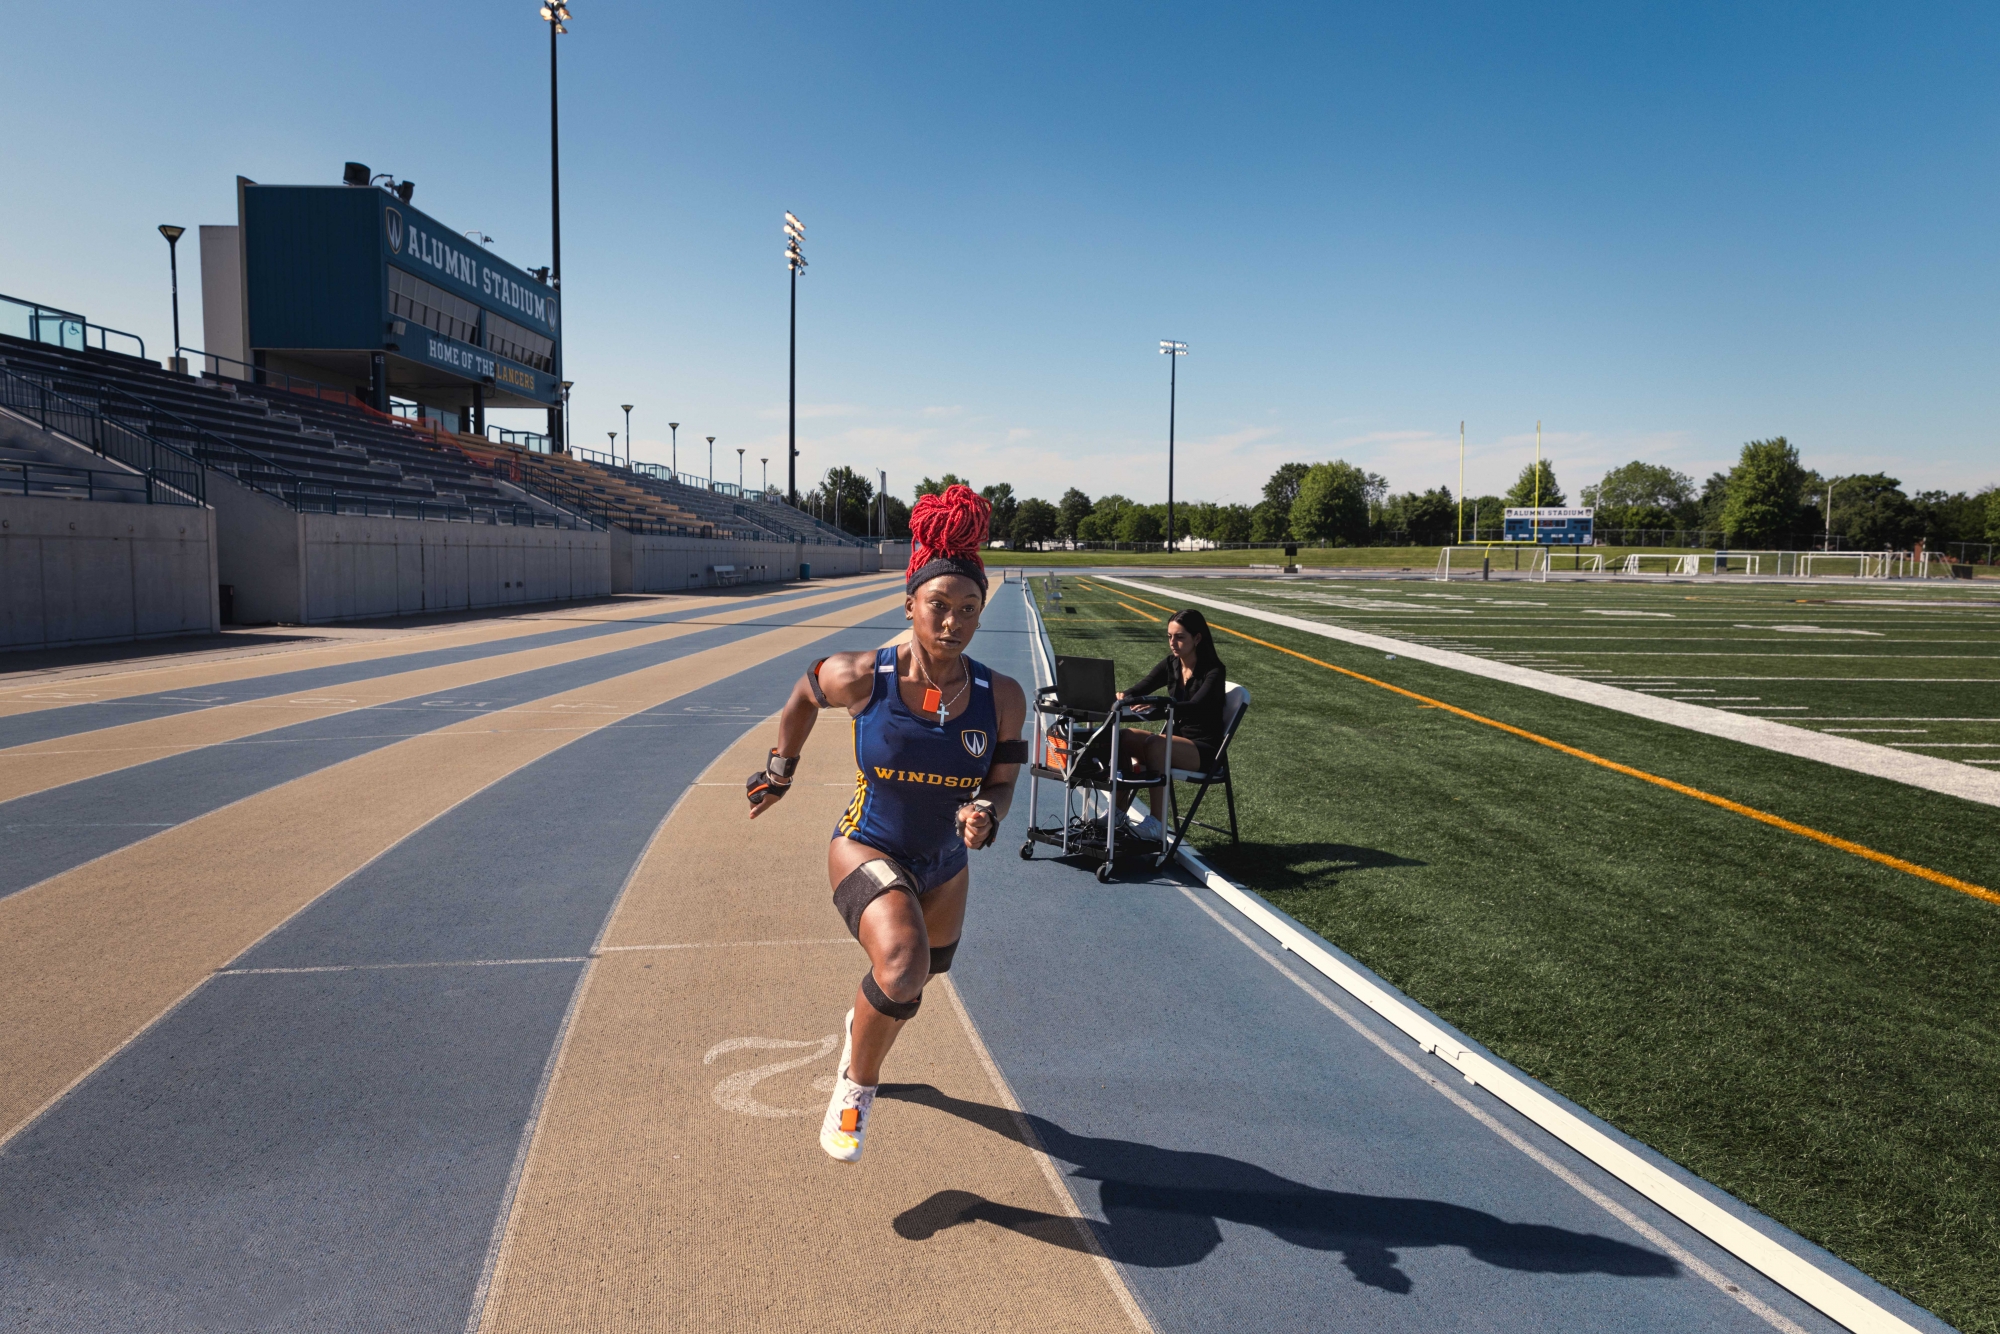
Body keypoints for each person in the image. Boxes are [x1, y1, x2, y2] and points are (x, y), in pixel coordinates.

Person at [745, 485, 1028, 1162]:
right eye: (939, 605)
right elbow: (800, 696)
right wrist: (779, 771)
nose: (954, 622)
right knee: (901, 966)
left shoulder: (1002, 699)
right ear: (910, 604)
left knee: (918, 980)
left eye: (968, 609)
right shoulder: (860, 677)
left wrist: (987, 813)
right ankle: (855, 1089)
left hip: (943, 865)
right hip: (867, 841)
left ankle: (862, 1024)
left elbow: (1003, 783)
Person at [1114, 608, 1229, 841]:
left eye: (1179, 637)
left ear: (1197, 638)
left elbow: (1195, 706)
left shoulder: (1215, 672)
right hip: (1174, 742)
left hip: (1204, 750)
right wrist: (1124, 695)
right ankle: (1117, 814)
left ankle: (1156, 825)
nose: (1173, 643)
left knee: (1156, 744)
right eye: (1169, 636)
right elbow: (1142, 687)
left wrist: (1157, 705)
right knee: (1124, 736)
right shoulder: (1171, 664)